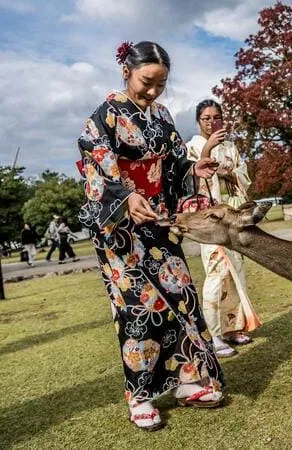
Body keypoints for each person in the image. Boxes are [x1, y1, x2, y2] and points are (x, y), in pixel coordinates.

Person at [77, 40, 224, 431]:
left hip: (157, 218)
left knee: (181, 293)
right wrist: (125, 195)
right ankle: (139, 397)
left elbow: (175, 163)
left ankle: (188, 379)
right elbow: (95, 167)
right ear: (127, 71)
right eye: (147, 82)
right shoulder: (104, 115)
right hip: (120, 228)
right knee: (137, 308)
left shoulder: (161, 114)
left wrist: (196, 169)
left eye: (161, 84)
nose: (154, 91)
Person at [185, 99, 261, 358]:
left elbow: (243, 176)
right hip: (212, 219)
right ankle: (213, 334)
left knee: (236, 270)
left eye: (216, 117)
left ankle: (232, 327)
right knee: (216, 271)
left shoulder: (231, 147)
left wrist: (229, 172)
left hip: (234, 216)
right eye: (206, 118)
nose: (212, 122)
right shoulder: (193, 146)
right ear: (199, 121)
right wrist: (208, 150)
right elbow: (193, 178)